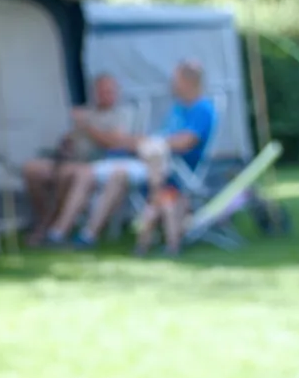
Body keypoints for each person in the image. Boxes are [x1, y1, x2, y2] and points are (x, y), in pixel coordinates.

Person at [36, 74, 137, 246]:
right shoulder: (87, 112)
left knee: (82, 175)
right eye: (102, 91)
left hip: (99, 162)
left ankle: (59, 231)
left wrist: (88, 127)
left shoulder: (122, 114)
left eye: (110, 91)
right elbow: (68, 141)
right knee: (34, 171)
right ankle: (44, 223)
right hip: (72, 161)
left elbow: (116, 142)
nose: (106, 95)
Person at [133, 60, 216, 257]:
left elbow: (186, 142)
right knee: (163, 196)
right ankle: (166, 243)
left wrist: (157, 143)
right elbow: (168, 136)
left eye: (176, 80)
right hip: (164, 167)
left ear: (189, 82)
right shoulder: (178, 107)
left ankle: (152, 242)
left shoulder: (202, 109)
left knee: (160, 195)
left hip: (182, 168)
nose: (172, 85)